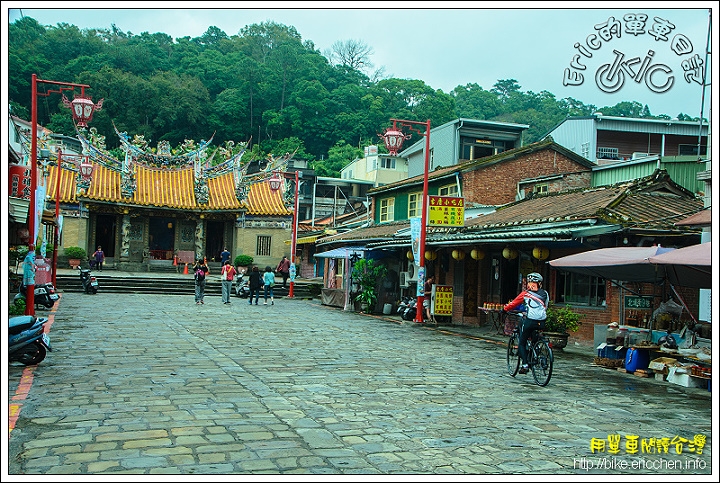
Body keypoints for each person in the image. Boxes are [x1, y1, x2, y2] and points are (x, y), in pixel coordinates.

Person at [503, 272, 549, 374]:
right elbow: (545, 307)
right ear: (540, 283)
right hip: (542, 321)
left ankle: (525, 365)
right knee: (535, 340)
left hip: (530, 321)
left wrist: (504, 309)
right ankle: (538, 355)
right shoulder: (545, 294)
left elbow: (513, 304)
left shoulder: (525, 294)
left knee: (522, 343)